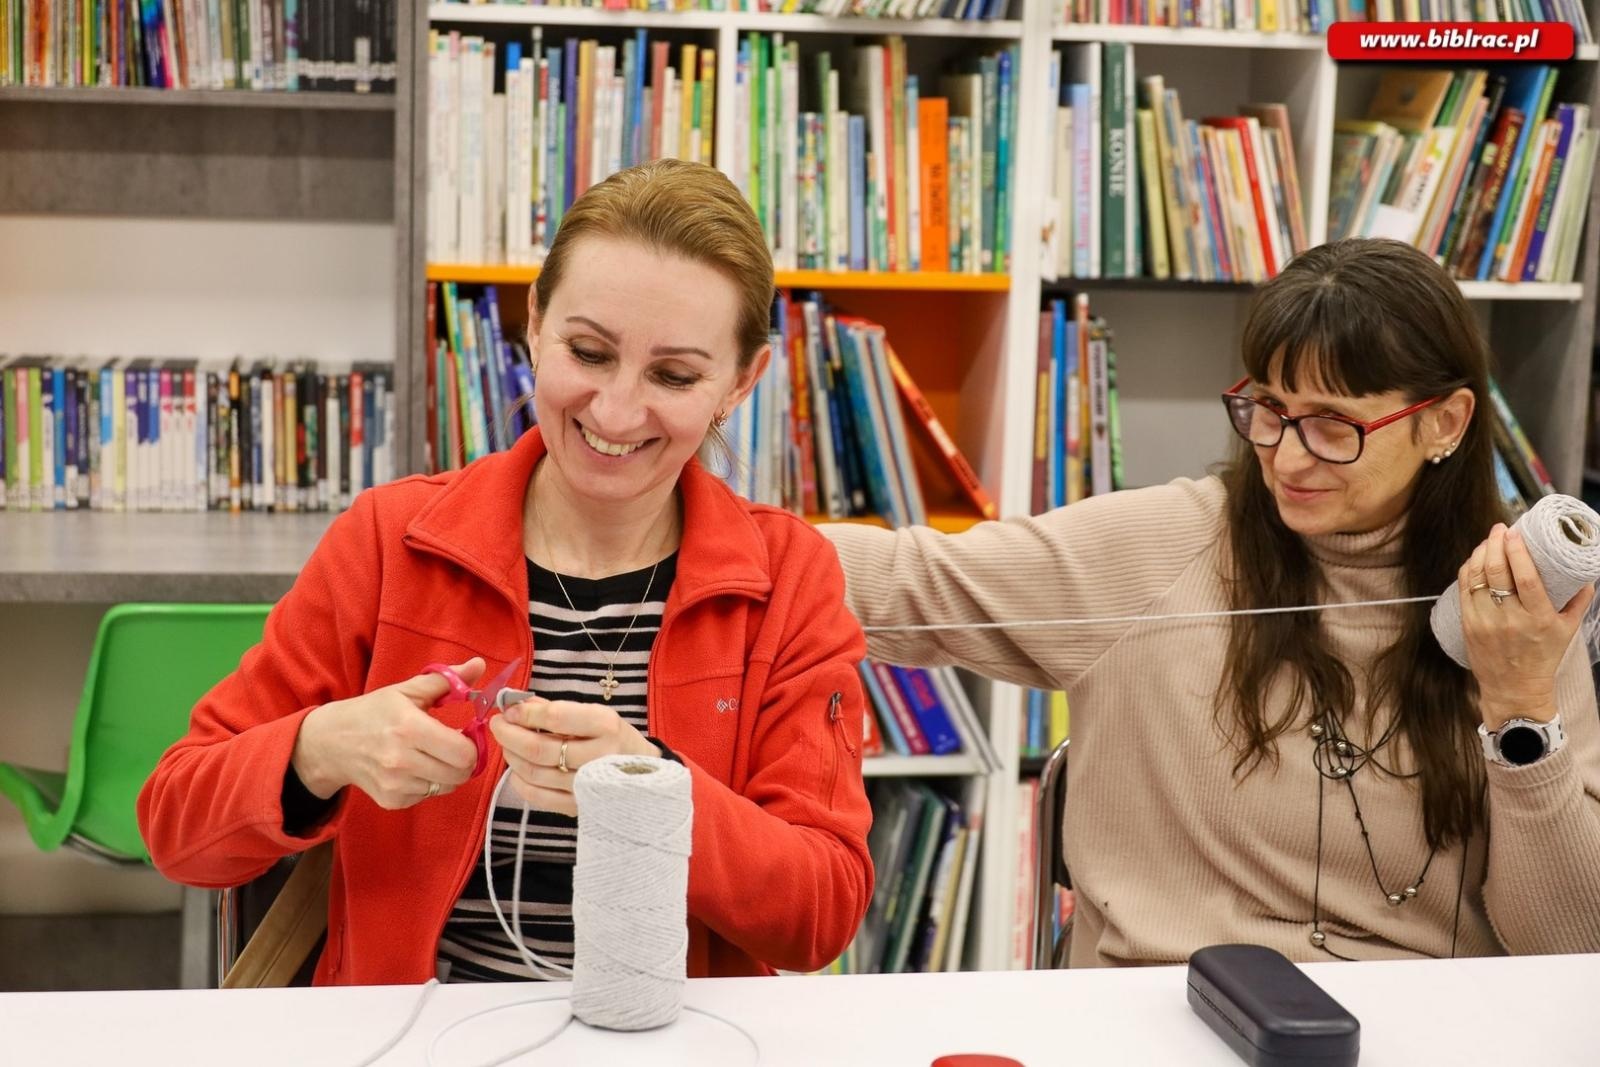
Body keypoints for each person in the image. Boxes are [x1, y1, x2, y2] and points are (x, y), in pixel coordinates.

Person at [138, 159, 873, 985]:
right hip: (414, 1034)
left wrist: (654, 793)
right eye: (589, 352)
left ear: (741, 383)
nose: (617, 411)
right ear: (533, 324)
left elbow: (822, 912)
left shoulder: (789, 578)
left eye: (674, 375)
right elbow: (175, 825)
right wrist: (319, 749)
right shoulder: (391, 541)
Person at [820, 238, 1600, 967]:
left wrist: (1521, 706)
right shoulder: (1162, 544)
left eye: (1334, 427)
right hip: (1158, 1014)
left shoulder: (1522, 607)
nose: (1288, 456)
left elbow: (1570, 945)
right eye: (1269, 410)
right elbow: (906, 577)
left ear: (1445, 422)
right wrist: (705, 528)